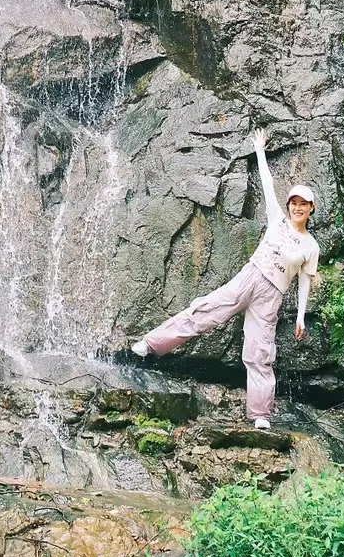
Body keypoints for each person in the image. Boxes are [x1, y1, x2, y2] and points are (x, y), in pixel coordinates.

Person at [130, 130, 319, 430]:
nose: (297, 207)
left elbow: (305, 280)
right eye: (294, 202)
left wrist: (300, 317)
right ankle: (152, 343)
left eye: (303, 204)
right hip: (251, 275)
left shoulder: (311, 246)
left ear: (311, 208)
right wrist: (260, 151)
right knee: (207, 309)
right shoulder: (277, 219)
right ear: (289, 205)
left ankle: (260, 414)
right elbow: (267, 185)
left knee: (260, 350)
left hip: (273, 295)